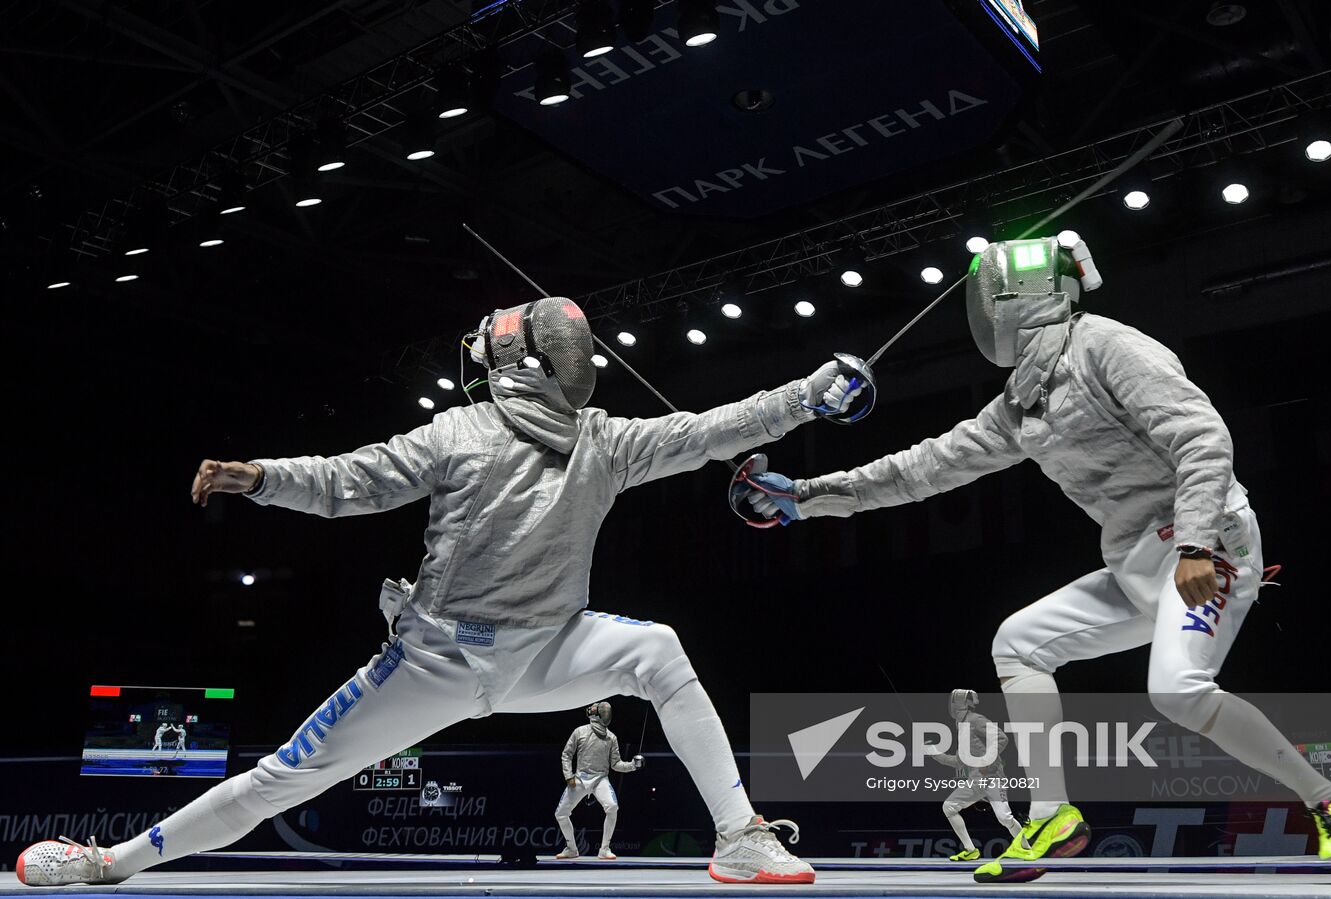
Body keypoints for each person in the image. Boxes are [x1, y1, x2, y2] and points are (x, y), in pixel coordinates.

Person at [17, 297, 862, 888]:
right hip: (432, 662)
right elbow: (352, 479)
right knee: (283, 778)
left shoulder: (601, 443)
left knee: (657, 649)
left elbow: (711, 429)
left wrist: (805, 396)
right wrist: (264, 476)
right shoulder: (466, 433)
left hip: (540, 653)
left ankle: (740, 835)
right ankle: (109, 861)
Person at [738, 237, 1331, 883]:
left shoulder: (1109, 345)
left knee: (1177, 691)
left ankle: (1329, 800)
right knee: (1019, 643)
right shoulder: (1021, 400)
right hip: (1136, 561)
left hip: (1208, 546)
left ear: (1019, 295)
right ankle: (1053, 815)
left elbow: (1202, 438)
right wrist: (808, 497)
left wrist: (1194, 545)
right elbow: (924, 467)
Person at [930, 690, 1019, 862]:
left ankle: (1027, 849)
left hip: (992, 778)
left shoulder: (975, 719)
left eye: (956, 701)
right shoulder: (961, 726)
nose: (953, 705)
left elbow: (1001, 738)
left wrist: (986, 760)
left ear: (963, 704)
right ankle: (971, 850)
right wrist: (934, 753)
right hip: (976, 782)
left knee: (1004, 818)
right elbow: (959, 761)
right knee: (949, 807)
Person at [555, 700, 643, 860]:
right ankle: (571, 848)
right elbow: (566, 754)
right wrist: (569, 776)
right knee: (561, 814)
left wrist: (633, 765)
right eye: (604, 712)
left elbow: (616, 764)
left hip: (600, 779)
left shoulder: (611, 737)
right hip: (580, 779)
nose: (606, 715)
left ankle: (604, 849)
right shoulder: (580, 732)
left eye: (607, 712)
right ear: (596, 714)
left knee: (612, 807)